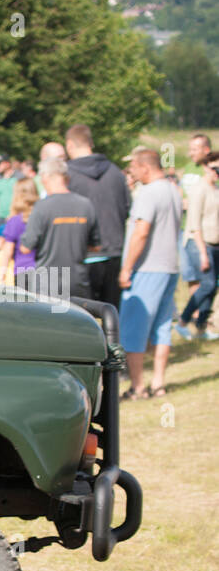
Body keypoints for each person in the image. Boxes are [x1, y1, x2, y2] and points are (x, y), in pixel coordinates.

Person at [119, 148, 182, 399]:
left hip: (146, 268)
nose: (131, 172)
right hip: (169, 266)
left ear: (145, 167)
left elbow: (141, 232)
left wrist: (126, 268)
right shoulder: (171, 189)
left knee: (134, 329)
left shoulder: (147, 193)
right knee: (162, 328)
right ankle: (158, 382)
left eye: (133, 166)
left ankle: (137, 386)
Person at [65, 124, 132, 308]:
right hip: (114, 252)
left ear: (70, 145)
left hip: (83, 255)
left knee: (82, 317)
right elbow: (127, 209)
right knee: (112, 315)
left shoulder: (67, 176)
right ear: (91, 143)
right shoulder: (115, 172)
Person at [19, 157, 100, 300]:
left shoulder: (42, 207)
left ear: (45, 177)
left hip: (48, 283)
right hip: (78, 281)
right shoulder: (85, 205)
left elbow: (26, 248)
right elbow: (96, 246)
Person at [177, 151, 219, 341]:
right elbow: (194, 224)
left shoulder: (215, 189)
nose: (216, 172)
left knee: (212, 287)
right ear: (205, 167)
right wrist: (202, 252)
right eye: (214, 168)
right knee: (207, 283)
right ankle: (183, 321)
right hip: (198, 243)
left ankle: (201, 327)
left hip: (214, 243)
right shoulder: (199, 189)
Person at [0, 177, 40, 282]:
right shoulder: (42, 217)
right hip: (44, 269)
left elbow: (8, 249)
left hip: (23, 270)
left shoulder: (15, 220)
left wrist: (2, 271)